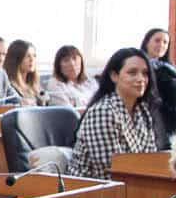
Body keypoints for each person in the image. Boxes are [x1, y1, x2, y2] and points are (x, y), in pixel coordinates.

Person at [71, 48, 168, 181]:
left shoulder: (142, 110)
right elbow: (110, 171)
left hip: (132, 185)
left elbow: (149, 160)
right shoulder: (102, 112)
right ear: (114, 76)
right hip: (92, 192)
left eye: (145, 73)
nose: (141, 79)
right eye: (132, 73)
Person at [43, 45, 92, 111]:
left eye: (74, 58)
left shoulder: (89, 80)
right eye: (66, 60)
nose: (72, 64)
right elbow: (68, 113)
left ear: (81, 61)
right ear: (59, 65)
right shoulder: (55, 84)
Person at [1, 40, 44, 108]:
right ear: (16, 59)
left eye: (34, 56)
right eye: (27, 56)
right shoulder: (9, 85)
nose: (32, 60)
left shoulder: (34, 85)